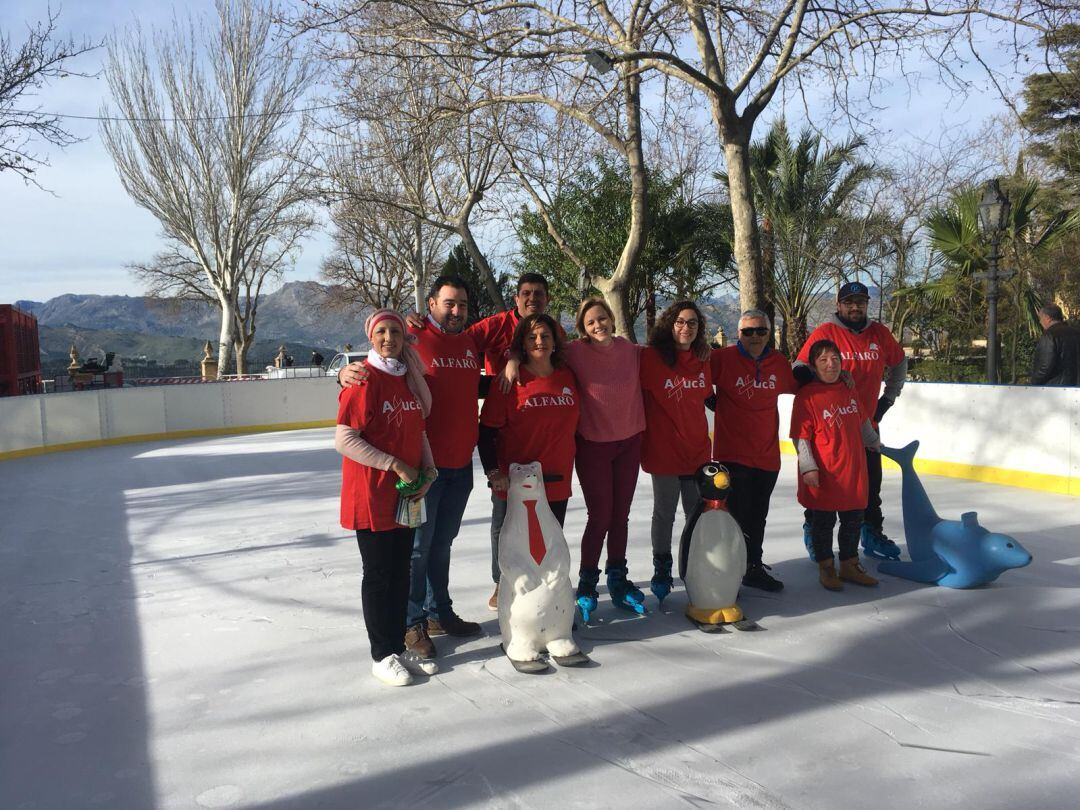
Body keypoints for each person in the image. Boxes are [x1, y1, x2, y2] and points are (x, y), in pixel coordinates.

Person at [506, 298, 647, 615]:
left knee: (620, 517)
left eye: (602, 318)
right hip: (593, 446)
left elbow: (667, 355)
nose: (598, 325)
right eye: (590, 322)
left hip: (629, 443)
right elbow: (540, 347)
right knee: (600, 516)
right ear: (582, 328)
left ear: (612, 318)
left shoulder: (630, 350)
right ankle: (587, 582)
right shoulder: (576, 353)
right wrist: (513, 358)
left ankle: (618, 577)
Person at [335, 309, 439, 687]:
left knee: (400, 573)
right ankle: (382, 655)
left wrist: (429, 469)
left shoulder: (406, 378)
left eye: (395, 331)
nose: (389, 338)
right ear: (371, 337)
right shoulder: (364, 379)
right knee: (379, 576)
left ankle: (396, 646)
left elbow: (418, 431)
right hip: (372, 495)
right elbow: (344, 439)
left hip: (406, 495)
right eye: (381, 331)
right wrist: (394, 464)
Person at [399, 276, 484, 661]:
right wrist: (343, 375)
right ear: (431, 304)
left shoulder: (468, 344)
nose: (456, 310)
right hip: (424, 469)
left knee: (442, 543)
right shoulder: (412, 338)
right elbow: (380, 365)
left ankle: (438, 613)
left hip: (461, 465)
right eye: (449, 303)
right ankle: (411, 621)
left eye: (462, 304)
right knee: (417, 549)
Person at [794, 281, 907, 561]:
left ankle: (871, 532)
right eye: (848, 302)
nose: (855, 307)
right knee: (823, 490)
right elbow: (800, 366)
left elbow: (899, 363)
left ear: (867, 304)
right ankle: (813, 531)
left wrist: (887, 399)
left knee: (870, 488)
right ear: (838, 305)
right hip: (830, 431)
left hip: (865, 426)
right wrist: (817, 386)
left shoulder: (879, 333)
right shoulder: (825, 332)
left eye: (860, 302)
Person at [710, 309, 797, 592]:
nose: (755, 336)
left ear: (769, 333)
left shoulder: (778, 362)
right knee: (734, 515)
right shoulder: (722, 359)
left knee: (758, 516)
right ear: (738, 334)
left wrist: (841, 376)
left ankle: (752, 567)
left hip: (767, 455)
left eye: (761, 330)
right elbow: (694, 377)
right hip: (732, 454)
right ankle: (730, 571)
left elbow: (804, 387)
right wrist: (713, 402)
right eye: (748, 331)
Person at [478, 313, 580, 549]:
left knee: (549, 550)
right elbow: (486, 431)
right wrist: (493, 472)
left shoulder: (568, 376)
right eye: (532, 337)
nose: (539, 341)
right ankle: (502, 577)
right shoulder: (508, 381)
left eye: (545, 336)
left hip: (556, 481)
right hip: (515, 484)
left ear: (555, 342)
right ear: (522, 344)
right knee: (510, 551)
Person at [790, 339, 881, 591]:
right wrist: (808, 467)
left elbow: (862, 420)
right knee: (823, 522)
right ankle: (827, 566)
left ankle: (850, 564)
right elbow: (801, 437)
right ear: (813, 366)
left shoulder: (848, 388)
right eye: (823, 360)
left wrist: (873, 441)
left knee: (853, 519)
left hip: (853, 469)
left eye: (835, 359)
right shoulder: (807, 396)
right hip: (824, 471)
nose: (830, 364)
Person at [639, 301, 713, 605]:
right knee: (665, 512)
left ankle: (694, 564)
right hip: (664, 450)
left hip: (697, 450)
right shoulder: (650, 357)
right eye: (680, 321)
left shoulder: (703, 359)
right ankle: (662, 567)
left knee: (696, 513)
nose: (686, 328)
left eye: (692, 323)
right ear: (669, 324)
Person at [1031, 304, 1080, 386]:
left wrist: (1034, 382)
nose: (1040, 322)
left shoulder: (1049, 336)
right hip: (1076, 387)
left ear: (1048, 318)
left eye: (1040, 318)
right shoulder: (1077, 333)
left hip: (1055, 388)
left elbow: (1044, 366)